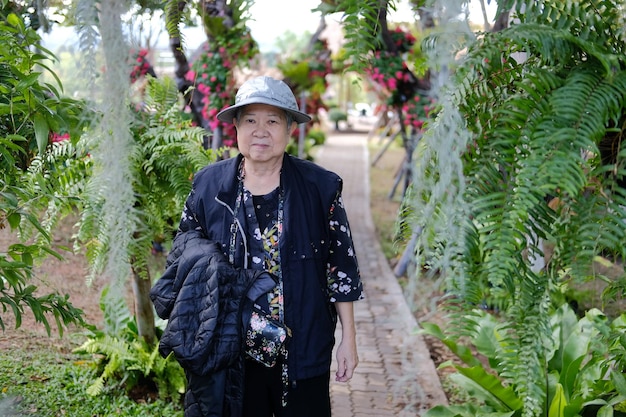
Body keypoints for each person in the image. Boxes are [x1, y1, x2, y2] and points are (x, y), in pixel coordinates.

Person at [150, 75, 363, 417]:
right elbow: (181, 252)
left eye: (272, 121)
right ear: (235, 126)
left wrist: (348, 340)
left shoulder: (320, 188)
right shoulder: (209, 185)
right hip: (231, 352)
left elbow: (341, 271)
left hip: (303, 347)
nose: (260, 131)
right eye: (250, 120)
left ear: (290, 129)